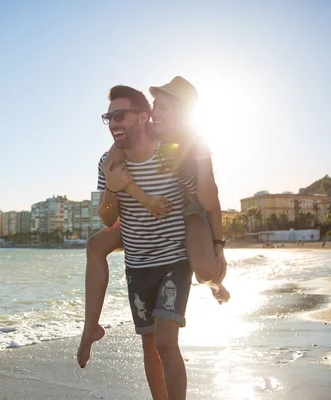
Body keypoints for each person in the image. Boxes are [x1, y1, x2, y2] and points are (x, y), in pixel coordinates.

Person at [77, 78, 229, 373]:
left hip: (185, 212)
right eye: (156, 104)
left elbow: (210, 201)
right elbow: (118, 149)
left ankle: (215, 283)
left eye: (166, 107)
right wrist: (121, 181)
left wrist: (219, 245)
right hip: (144, 221)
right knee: (95, 244)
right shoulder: (133, 139)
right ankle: (90, 327)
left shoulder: (186, 142)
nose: (157, 111)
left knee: (207, 271)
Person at [87, 85, 196, 399]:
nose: (112, 122)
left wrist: (213, 246)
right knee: (149, 343)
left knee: (165, 341)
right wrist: (111, 186)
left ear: (144, 115)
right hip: (136, 265)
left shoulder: (171, 150)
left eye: (119, 115)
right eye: (108, 117)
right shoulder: (107, 162)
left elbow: (196, 198)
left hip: (175, 258)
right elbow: (108, 219)